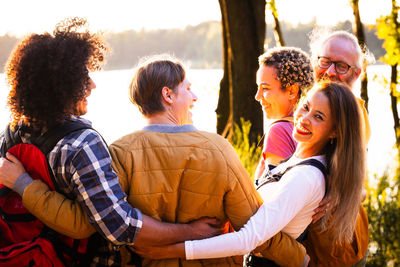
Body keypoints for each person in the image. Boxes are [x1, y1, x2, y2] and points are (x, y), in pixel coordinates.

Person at [0, 54, 308, 266]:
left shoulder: (118, 152)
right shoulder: (219, 150)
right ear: (168, 95)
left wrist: (25, 186)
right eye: (188, 88)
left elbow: (81, 223)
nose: (195, 97)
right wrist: (303, 259)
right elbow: (257, 229)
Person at [0, 18, 224, 266]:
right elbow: (120, 227)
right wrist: (191, 232)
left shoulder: (10, 136)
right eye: (83, 78)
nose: (93, 85)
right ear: (60, 86)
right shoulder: (82, 144)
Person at [133, 81, 366, 267]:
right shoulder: (301, 160)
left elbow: (249, 239)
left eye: (319, 117)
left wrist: (170, 249)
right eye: (305, 107)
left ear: (335, 131)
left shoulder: (306, 177)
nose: (304, 119)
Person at [305, 30, 374, 266]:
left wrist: (343, 194)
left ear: (357, 73)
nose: (330, 71)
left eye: (341, 66)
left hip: (338, 248)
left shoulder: (353, 113)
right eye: (325, 61)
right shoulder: (311, 103)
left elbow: (358, 184)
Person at [254, 47, 314, 179]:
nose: (257, 96)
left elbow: (275, 191)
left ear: (292, 91)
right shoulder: (316, 127)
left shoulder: (279, 131)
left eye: (265, 88)